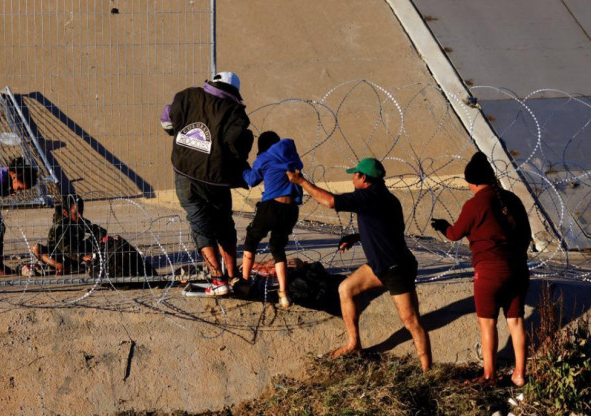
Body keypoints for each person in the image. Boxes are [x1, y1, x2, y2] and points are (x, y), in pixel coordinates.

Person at [287, 158, 432, 371]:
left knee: (411, 321)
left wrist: (301, 182)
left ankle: (427, 369)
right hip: (380, 265)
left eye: (355, 175)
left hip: (396, 269)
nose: (352, 178)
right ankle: (354, 344)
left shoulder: (368, 196)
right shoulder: (387, 198)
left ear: (363, 178)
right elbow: (385, 229)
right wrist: (357, 236)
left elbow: (329, 201)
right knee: (346, 288)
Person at [430, 151, 531, 386]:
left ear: (472, 182)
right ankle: (519, 374)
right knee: (516, 322)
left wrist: (444, 226)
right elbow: (526, 235)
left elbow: (455, 234)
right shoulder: (511, 199)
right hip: (518, 269)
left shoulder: (475, 204)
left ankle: (489, 375)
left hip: (489, 273)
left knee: (488, 324)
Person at [160, 71, 254, 296]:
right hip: (216, 178)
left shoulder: (186, 96)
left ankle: (217, 279)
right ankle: (232, 276)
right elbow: (237, 142)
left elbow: (166, 123)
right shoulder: (234, 112)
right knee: (223, 225)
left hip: (185, 174)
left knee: (199, 223)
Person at [236, 131, 303, 308]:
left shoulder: (264, 158)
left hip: (271, 207)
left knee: (252, 239)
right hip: (291, 209)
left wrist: (243, 167)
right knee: (278, 248)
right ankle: (283, 293)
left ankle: (244, 283)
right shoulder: (291, 156)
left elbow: (252, 180)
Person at [31, 194, 107, 276]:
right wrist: (81, 256)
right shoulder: (59, 227)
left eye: (81, 211)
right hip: (58, 255)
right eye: (76, 213)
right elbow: (65, 249)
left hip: (75, 253)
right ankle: (59, 266)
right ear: (65, 212)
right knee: (36, 248)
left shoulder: (81, 221)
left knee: (96, 239)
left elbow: (99, 231)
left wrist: (104, 238)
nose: (80, 215)